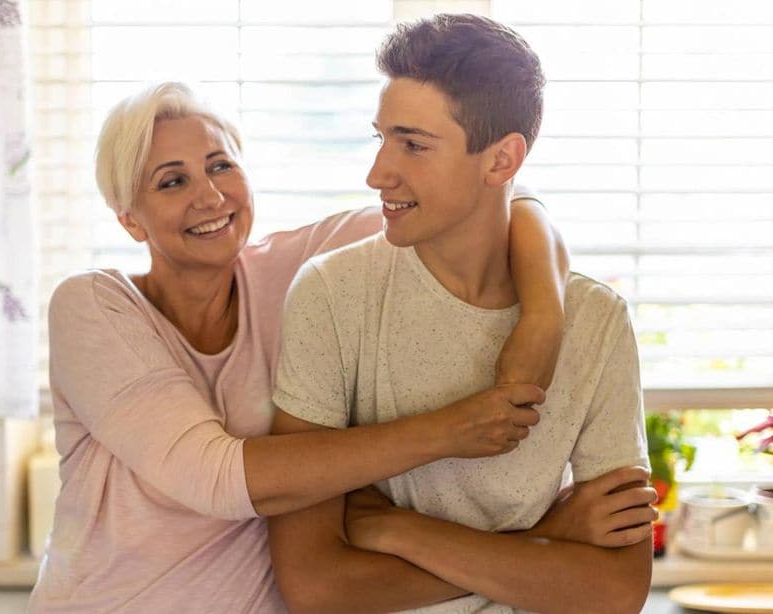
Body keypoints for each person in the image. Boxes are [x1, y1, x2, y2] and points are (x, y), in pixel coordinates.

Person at [27, 79, 572, 612]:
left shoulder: (296, 271)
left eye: (221, 166)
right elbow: (214, 477)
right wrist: (454, 432)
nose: (210, 196)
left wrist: (544, 315)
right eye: (172, 182)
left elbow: (489, 199)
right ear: (129, 221)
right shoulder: (94, 306)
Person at [269, 14, 655, 614]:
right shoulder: (332, 294)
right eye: (381, 139)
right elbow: (317, 587)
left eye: (414, 145)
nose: (377, 174)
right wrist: (544, 545)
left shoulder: (596, 320)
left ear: (501, 162)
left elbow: (616, 590)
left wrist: (394, 529)